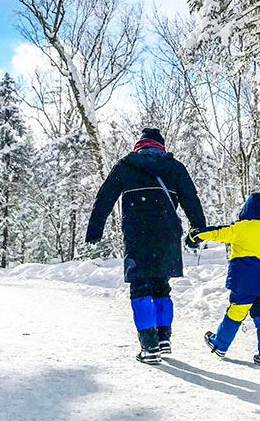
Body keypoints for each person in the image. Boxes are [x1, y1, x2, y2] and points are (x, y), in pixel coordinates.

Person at [86, 128, 206, 365]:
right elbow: (191, 198)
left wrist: (95, 229)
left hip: (137, 233)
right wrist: (198, 228)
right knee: (162, 285)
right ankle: (163, 339)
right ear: (160, 145)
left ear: (139, 145)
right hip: (167, 233)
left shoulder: (126, 166)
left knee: (140, 285)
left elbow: (105, 197)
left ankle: (149, 345)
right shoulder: (174, 167)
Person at [187, 193, 260, 366]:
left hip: (243, 280)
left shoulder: (240, 228)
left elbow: (217, 233)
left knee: (236, 310)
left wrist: (196, 235)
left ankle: (220, 343)